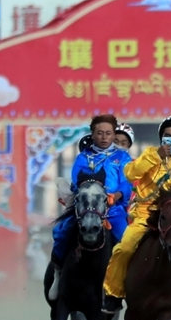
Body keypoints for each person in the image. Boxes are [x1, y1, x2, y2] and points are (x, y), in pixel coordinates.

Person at [101, 115, 171, 320]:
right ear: (161, 137)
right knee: (123, 250)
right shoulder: (149, 154)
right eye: (168, 135)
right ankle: (113, 295)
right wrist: (155, 157)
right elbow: (130, 173)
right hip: (145, 216)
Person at [51, 114, 132, 282]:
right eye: (100, 133)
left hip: (113, 210)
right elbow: (76, 182)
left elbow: (126, 183)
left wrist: (117, 195)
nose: (104, 137)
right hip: (85, 208)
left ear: (113, 134)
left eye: (108, 133)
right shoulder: (82, 157)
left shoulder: (122, 157)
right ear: (92, 134)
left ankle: (124, 283)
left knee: (127, 240)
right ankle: (58, 273)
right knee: (60, 231)